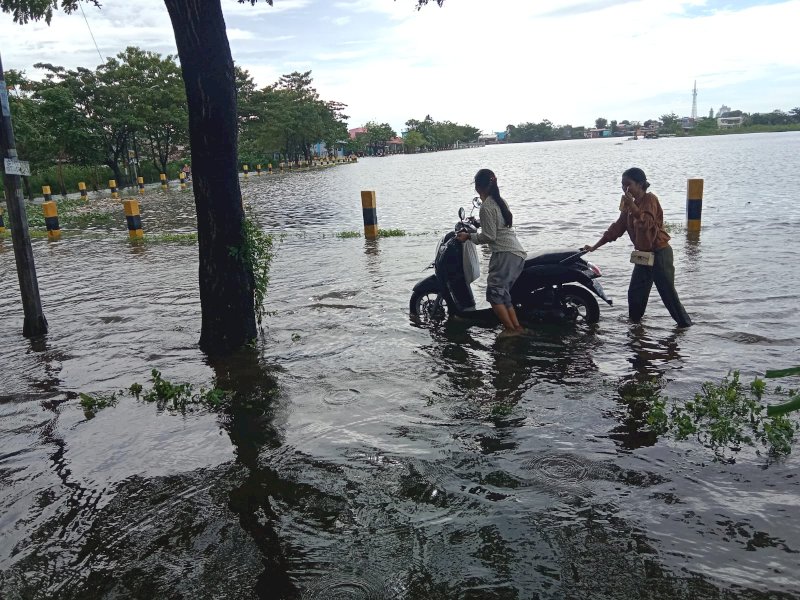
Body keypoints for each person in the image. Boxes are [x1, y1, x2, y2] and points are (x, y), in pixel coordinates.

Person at [583, 167, 692, 328]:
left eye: (628, 185)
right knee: (635, 294)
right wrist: (594, 246)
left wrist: (632, 207)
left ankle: (685, 326)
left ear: (640, 184)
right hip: (643, 255)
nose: (624, 189)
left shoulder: (650, 200)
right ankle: (635, 327)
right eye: (622, 185)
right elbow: (617, 228)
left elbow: (646, 224)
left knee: (668, 295)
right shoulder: (627, 204)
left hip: (660, 253)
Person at [456, 168, 527, 337]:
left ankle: (510, 330)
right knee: (502, 293)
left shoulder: (486, 206)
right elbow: (499, 224)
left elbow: (489, 236)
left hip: (504, 253)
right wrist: (479, 224)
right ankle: (516, 327)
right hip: (516, 252)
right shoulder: (499, 201)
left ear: (477, 188)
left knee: (493, 295)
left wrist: (468, 236)